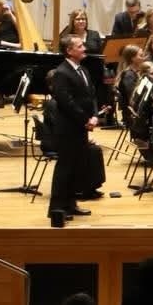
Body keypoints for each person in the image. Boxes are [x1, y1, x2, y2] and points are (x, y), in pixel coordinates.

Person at [47, 35, 97, 222]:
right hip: (68, 128)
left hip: (81, 126)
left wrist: (94, 115)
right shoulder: (62, 72)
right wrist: (86, 119)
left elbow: (90, 95)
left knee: (76, 167)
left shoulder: (83, 70)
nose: (84, 48)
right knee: (65, 168)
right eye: (80, 45)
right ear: (69, 51)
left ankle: (71, 204)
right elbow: (66, 102)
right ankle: (57, 208)